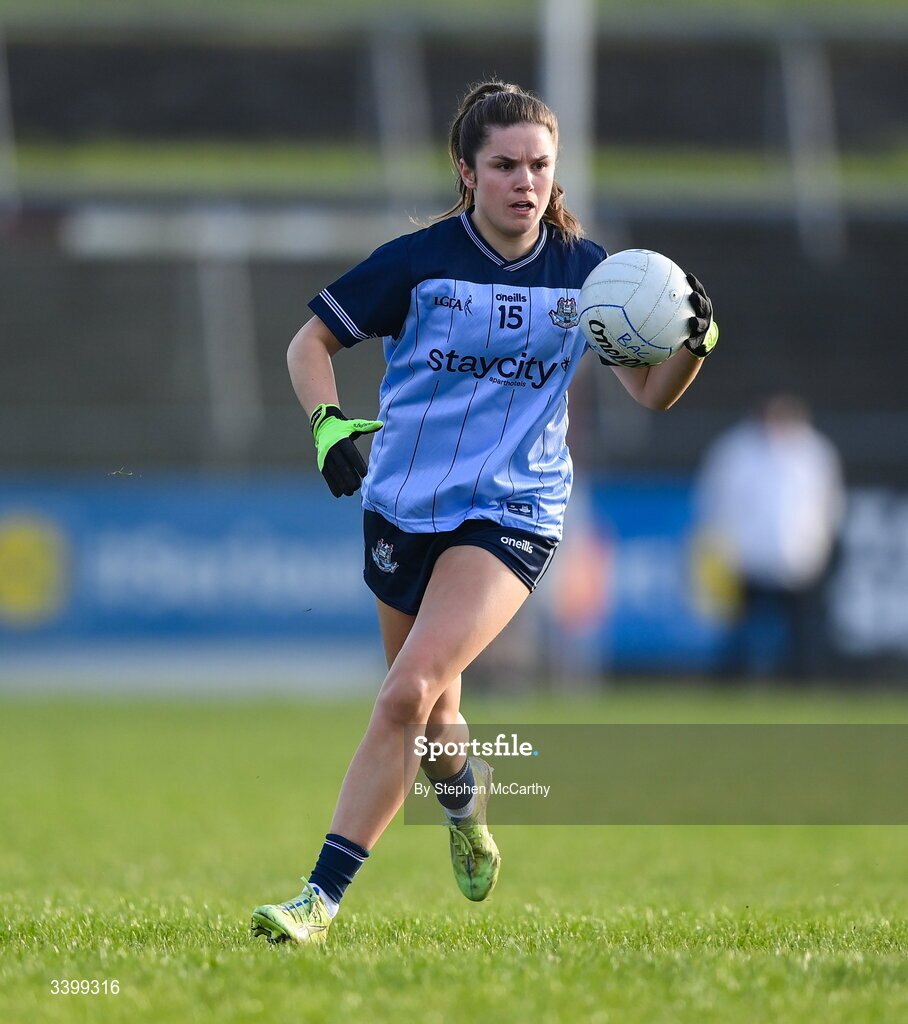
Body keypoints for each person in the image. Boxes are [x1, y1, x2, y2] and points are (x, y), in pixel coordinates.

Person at [250, 80, 719, 944]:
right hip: (401, 504)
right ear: (466, 172)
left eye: (539, 165)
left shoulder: (596, 277)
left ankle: (317, 902)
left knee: (406, 692)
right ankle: (464, 812)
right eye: (504, 165)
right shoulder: (419, 260)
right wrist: (327, 425)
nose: (524, 182)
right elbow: (308, 341)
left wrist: (691, 341)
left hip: (512, 512)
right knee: (432, 716)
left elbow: (653, 394)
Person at [695, 394, 844, 679]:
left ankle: (803, 687)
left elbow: (828, 503)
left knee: (804, 634)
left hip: (799, 559)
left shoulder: (814, 451)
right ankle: (732, 688)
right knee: (739, 632)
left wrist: (819, 545)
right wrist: (725, 549)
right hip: (746, 559)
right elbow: (715, 501)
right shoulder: (735, 451)